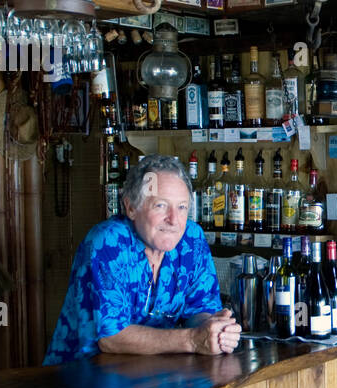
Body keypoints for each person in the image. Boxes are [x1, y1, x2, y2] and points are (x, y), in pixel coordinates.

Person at [44, 153, 241, 364]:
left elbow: (200, 308)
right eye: (160, 205)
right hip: (84, 378)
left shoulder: (192, 239)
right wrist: (192, 340)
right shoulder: (108, 242)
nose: (174, 220)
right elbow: (111, 338)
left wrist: (215, 330)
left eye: (182, 207)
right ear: (131, 207)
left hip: (156, 375)